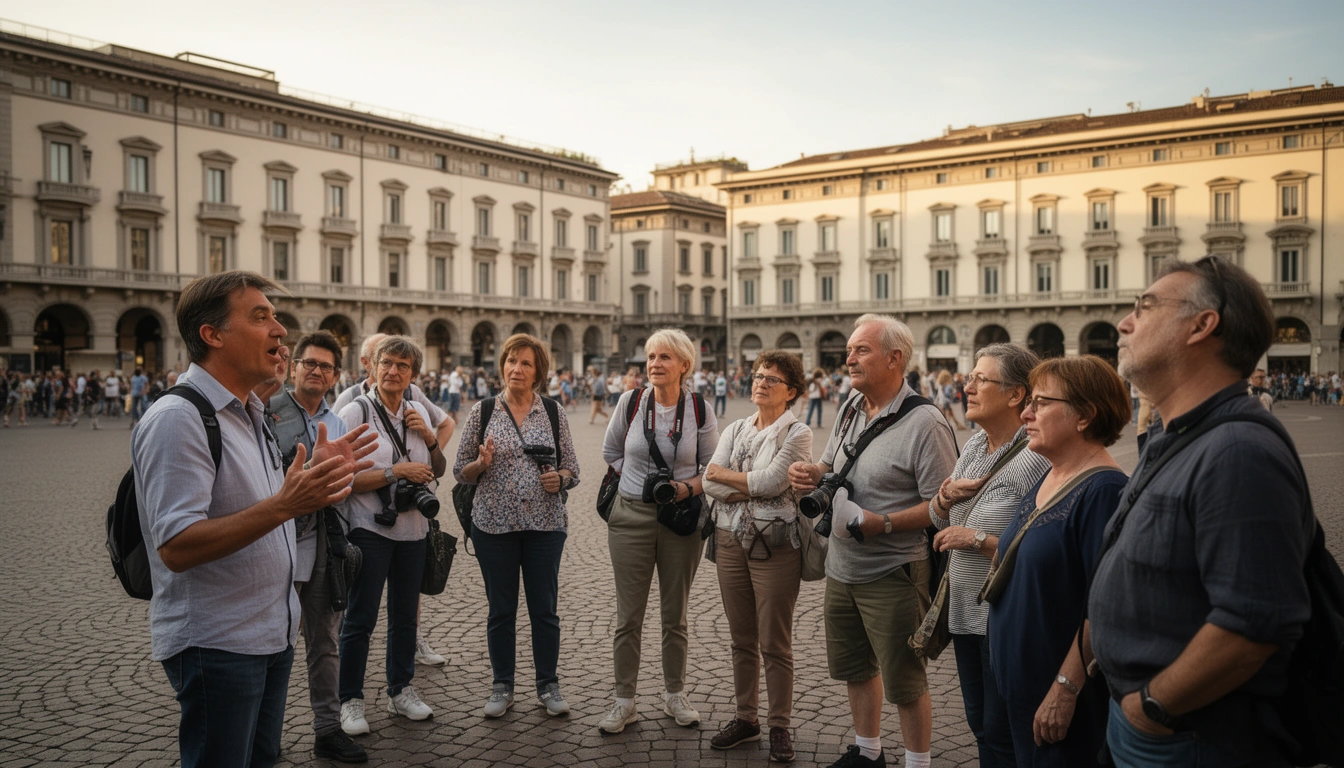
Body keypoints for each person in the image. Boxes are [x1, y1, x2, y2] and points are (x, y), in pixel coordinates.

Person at [133, 271, 375, 768]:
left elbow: (264, 502)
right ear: (212, 334)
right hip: (217, 643)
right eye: (260, 317)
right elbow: (176, 545)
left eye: (276, 317)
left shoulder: (250, 413)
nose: (281, 331)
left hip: (269, 634)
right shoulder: (179, 417)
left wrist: (313, 479)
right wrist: (287, 504)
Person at [1089, 256, 1315, 767]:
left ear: (1202, 325)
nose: (1125, 322)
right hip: (1148, 725)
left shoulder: (1238, 450)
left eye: (1145, 307)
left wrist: (1151, 706)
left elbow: (1252, 624)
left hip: (1185, 734)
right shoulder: (1173, 438)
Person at [787, 314, 958, 768]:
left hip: (894, 570)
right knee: (855, 667)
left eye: (861, 350)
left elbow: (943, 507)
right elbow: (830, 464)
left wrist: (880, 523)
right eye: (849, 350)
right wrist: (813, 474)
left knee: (905, 679)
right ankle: (867, 752)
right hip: (841, 566)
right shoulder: (849, 407)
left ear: (895, 358)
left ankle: (917, 763)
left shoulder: (926, 423)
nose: (849, 358)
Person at [987, 356, 1130, 767]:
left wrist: (1065, 688)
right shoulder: (1049, 473)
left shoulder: (1104, 491)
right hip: (1020, 687)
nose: (1026, 413)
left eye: (1041, 403)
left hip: (1058, 694)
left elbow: (1101, 607)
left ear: (1084, 415)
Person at [928, 343, 1051, 768]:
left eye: (982, 379)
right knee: (980, 724)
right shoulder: (977, 444)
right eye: (971, 376)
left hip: (1004, 617)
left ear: (1017, 395)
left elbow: (1043, 548)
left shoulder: (1036, 457)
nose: (968, 385)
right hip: (965, 610)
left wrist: (977, 539)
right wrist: (943, 498)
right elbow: (937, 517)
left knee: (1003, 735)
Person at [598, 328, 719, 734]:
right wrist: (634, 481)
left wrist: (685, 488)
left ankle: (675, 695)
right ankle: (624, 700)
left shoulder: (700, 409)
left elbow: (711, 470)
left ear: (685, 365)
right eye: (650, 357)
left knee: (675, 616)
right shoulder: (630, 402)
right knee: (628, 616)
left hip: (679, 519)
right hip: (630, 516)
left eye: (664, 357)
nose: (654, 364)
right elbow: (610, 451)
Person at [455, 334, 580, 720]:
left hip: (545, 526)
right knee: (501, 610)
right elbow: (462, 471)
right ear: (502, 365)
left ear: (538, 371)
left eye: (525, 363)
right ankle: (502, 685)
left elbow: (572, 467)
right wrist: (481, 464)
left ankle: (548, 684)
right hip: (494, 526)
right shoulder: (484, 410)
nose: (516, 369)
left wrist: (559, 478)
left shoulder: (554, 413)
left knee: (545, 610)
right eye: (511, 361)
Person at [702, 350, 813, 762]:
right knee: (741, 637)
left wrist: (732, 480)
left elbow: (768, 481)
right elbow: (708, 482)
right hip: (729, 540)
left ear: (792, 392)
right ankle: (746, 718)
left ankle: (779, 725)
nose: (761, 382)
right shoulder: (735, 428)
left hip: (776, 545)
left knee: (775, 641)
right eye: (758, 375)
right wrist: (747, 484)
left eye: (772, 379)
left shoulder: (796, 433)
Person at [263, 331, 367, 763]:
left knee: (324, 641)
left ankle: (327, 728)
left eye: (325, 366)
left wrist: (339, 482)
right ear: (294, 366)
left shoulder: (337, 420)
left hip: (322, 542)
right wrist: (308, 471)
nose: (316, 372)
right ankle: (263, 733)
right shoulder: (267, 411)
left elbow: (346, 486)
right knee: (272, 643)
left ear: (335, 375)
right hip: (274, 541)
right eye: (309, 363)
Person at [336, 336, 447, 735]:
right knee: (360, 618)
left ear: (413, 374)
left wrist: (431, 439)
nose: (394, 371)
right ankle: (349, 699)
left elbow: (438, 467)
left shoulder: (418, 409)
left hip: (414, 530)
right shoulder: (354, 412)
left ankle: (400, 690)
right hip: (369, 528)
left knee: (404, 618)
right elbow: (340, 478)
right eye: (387, 363)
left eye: (403, 365)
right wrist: (395, 473)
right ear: (373, 367)